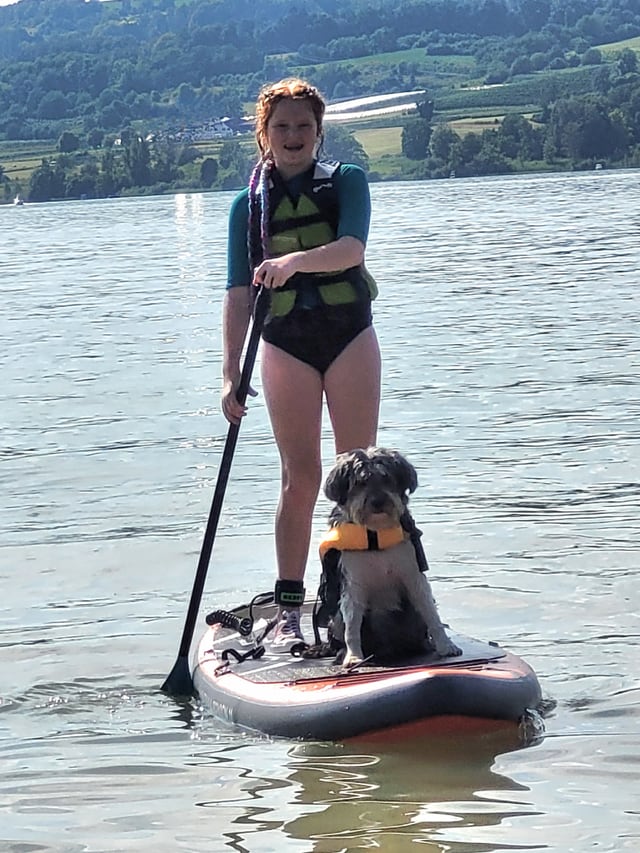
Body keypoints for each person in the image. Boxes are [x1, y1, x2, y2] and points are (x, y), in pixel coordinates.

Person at [221, 78, 381, 648]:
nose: (294, 137)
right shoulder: (247, 206)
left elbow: (351, 250)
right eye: (282, 127)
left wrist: (291, 261)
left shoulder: (347, 183)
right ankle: (290, 609)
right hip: (286, 343)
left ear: (319, 132)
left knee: (358, 475)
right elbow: (239, 296)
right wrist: (229, 377)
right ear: (264, 134)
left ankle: (358, 598)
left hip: (348, 336)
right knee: (301, 477)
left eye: (304, 127)